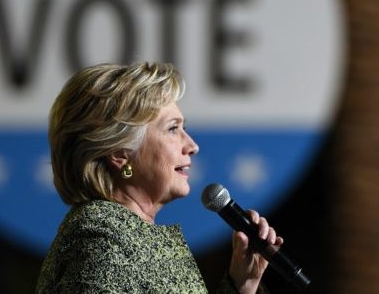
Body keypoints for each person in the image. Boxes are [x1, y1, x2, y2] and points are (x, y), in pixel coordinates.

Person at [36, 62, 283, 293]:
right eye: (173, 129)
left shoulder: (126, 236)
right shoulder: (102, 245)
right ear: (120, 153)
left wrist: (241, 283)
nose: (193, 145)